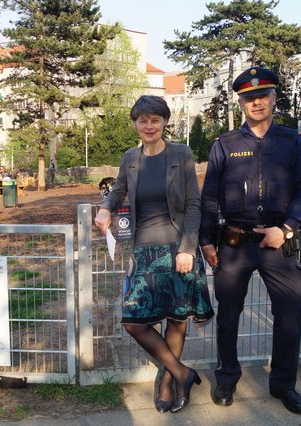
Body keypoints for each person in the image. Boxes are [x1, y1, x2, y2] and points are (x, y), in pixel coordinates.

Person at [199, 66, 301, 414]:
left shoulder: (293, 142)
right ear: (241, 103)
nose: (256, 102)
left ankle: (283, 385)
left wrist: (287, 228)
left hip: (278, 242)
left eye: (262, 96)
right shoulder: (225, 145)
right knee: (229, 316)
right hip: (235, 244)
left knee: (291, 312)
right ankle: (226, 379)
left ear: (274, 99)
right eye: (249, 98)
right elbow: (209, 196)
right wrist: (206, 240)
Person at [94, 95, 214, 414]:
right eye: (143, 120)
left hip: (177, 247)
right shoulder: (130, 158)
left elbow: (192, 205)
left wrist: (188, 248)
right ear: (135, 123)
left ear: (164, 123)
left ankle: (166, 383)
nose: (149, 126)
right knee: (135, 322)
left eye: (155, 120)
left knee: (176, 319)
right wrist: (106, 209)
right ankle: (182, 373)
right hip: (144, 251)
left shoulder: (181, 154)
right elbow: (118, 190)